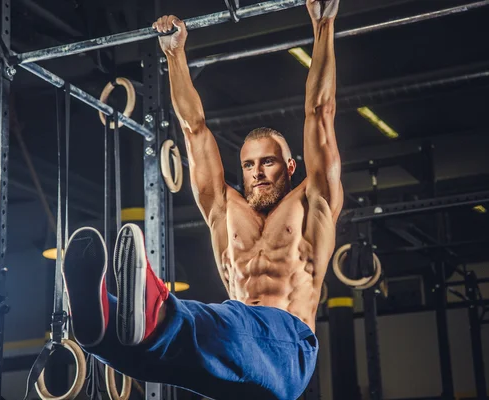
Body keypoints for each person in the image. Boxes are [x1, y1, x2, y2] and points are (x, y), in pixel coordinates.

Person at [62, 0, 343, 398]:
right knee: (161, 355)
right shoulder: (224, 209)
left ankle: (156, 311)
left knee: (223, 322)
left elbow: (320, 112)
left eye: (268, 163)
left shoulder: (314, 202)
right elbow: (193, 129)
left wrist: (324, 25)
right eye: (248, 165)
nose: (257, 172)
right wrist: (175, 54)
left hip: (287, 349)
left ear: (291, 167)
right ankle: (100, 326)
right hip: (228, 358)